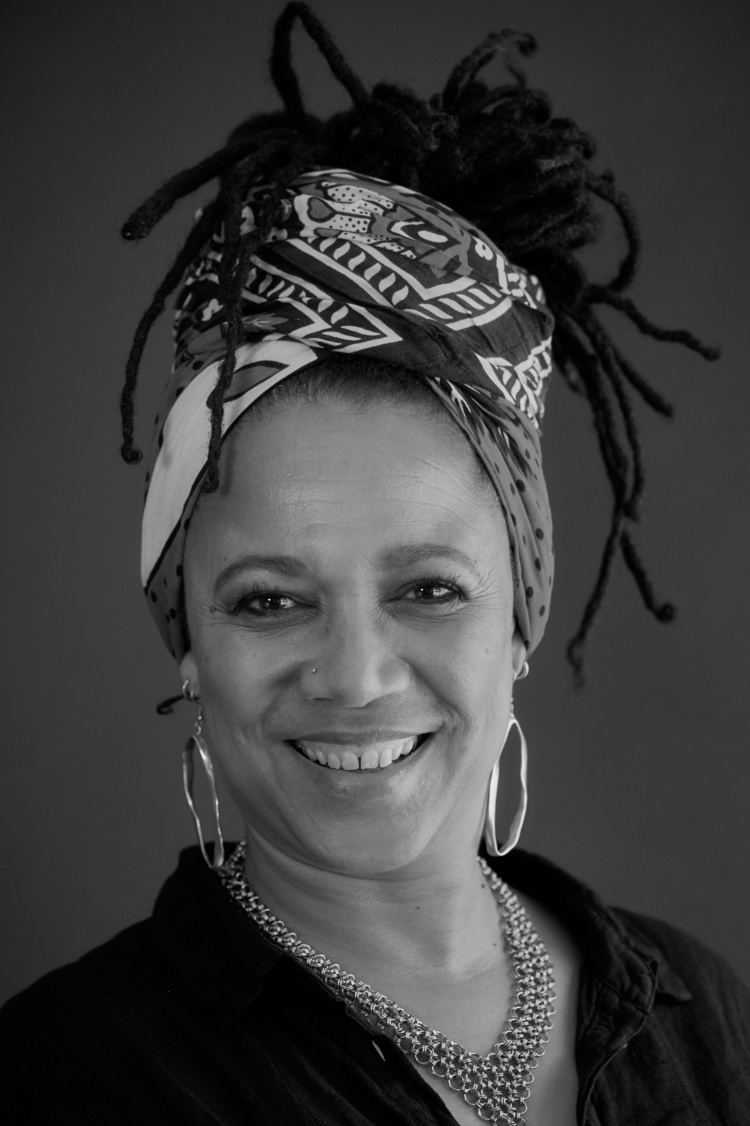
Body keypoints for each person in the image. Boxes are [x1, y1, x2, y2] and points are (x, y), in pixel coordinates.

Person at [2, 5, 749, 1124]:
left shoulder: (707, 1017)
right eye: (268, 600)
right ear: (192, 645)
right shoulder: (64, 1079)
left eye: (429, 588)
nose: (354, 677)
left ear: (519, 618)